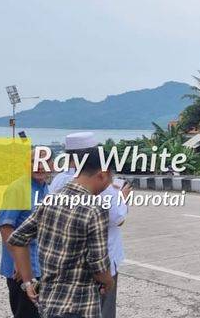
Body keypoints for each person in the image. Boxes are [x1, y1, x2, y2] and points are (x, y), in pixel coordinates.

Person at [7, 147, 115, 318]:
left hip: (49, 305)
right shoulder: (95, 209)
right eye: (110, 178)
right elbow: (99, 266)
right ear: (102, 174)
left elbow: (17, 239)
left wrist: (28, 282)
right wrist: (109, 282)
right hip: (79, 305)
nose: (108, 184)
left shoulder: (51, 198)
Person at [49, 132, 130, 318]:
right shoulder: (101, 184)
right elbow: (118, 218)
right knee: (103, 310)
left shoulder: (58, 180)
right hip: (100, 264)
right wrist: (123, 198)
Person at [0, 149, 51, 318]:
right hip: (21, 269)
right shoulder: (18, 188)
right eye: (34, 161)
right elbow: (5, 227)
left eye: (44, 162)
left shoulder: (44, 188)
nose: (39, 166)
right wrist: (19, 263)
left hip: (40, 267)